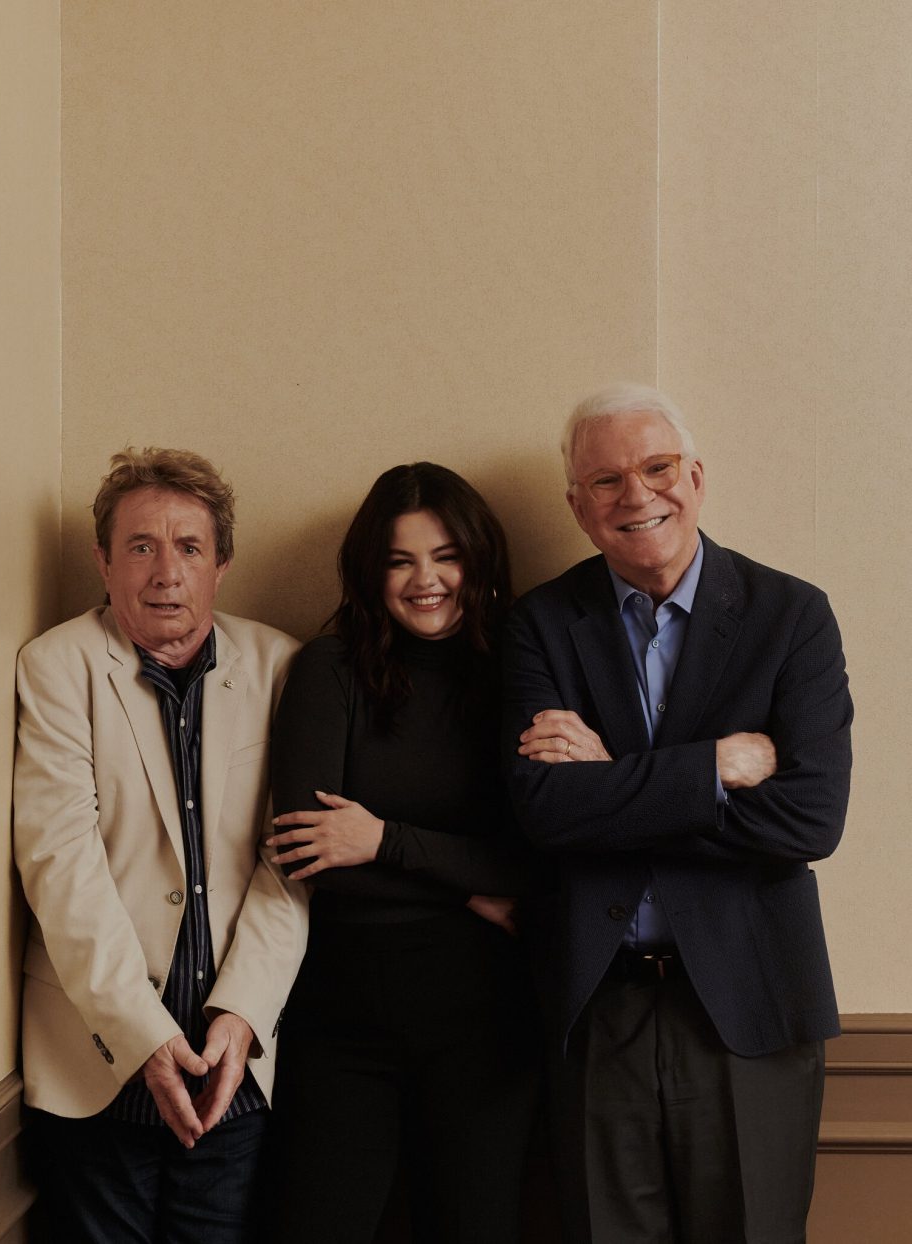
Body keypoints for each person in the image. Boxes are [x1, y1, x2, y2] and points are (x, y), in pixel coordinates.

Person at [503, 384, 853, 1244]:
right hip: (598, 1002)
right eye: (605, 480)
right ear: (577, 506)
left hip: (749, 1001)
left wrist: (613, 783)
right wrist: (714, 768)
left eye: (656, 467)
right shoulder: (540, 623)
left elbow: (809, 819)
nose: (636, 494)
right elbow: (545, 810)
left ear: (694, 477)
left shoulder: (791, 614)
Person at [13, 448, 308, 1244]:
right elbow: (60, 867)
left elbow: (289, 866)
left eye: (189, 548)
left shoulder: (281, 666)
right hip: (95, 1062)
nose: (166, 573)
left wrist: (242, 1015)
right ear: (104, 561)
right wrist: (143, 1035)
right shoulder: (58, 666)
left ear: (221, 565)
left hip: (233, 1067)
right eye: (141, 546)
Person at [266, 462, 539, 1244]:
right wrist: (469, 885)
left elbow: (536, 863)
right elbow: (309, 852)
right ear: (369, 571)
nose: (426, 581)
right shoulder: (329, 669)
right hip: (342, 1016)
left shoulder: (521, 669)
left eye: (446, 556)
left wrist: (382, 839)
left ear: (479, 560)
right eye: (399, 561)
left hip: (487, 1022)